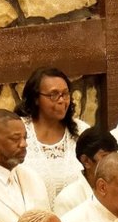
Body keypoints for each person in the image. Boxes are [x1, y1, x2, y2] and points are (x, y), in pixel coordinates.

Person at [17, 67, 83, 206]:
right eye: (54, 95)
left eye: (65, 94)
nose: (62, 100)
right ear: (36, 99)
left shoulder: (81, 131)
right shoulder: (18, 130)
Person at [51, 126, 118, 217]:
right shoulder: (67, 200)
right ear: (86, 161)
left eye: (115, 156)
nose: (114, 163)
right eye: (105, 157)